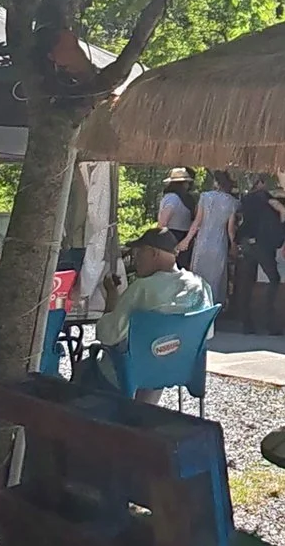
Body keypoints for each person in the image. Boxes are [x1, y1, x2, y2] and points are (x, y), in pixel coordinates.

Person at [83, 230, 211, 399]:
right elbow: (207, 334)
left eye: (138, 253)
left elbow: (107, 335)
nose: (135, 260)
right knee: (154, 357)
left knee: (83, 368)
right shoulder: (201, 286)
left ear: (153, 253)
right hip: (178, 370)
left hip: (129, 375)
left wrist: (111, 297)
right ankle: (143, 416)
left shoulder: (143, 288)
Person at [234, 174, 285, 335]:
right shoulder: (265, 196)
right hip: (262, 244)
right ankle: (269, 322)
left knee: (246, 282)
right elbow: (283, 211)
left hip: (246, 242)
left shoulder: (244, 199)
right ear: (261, 183)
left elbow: (238, 219)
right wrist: (280, 227)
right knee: (274, 279)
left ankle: (246, 322)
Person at [184, 170, 239, 308]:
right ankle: (212, 309)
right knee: (215, 279)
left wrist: (186, 240)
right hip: (219, 243)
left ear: (215, 182)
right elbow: (230, 230)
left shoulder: (205, 197)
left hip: (202, 242)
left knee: (198, 276)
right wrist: (233, 246)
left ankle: (196, 306)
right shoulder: (232, 202)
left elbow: (197, 222)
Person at [156, 170, 197, 269]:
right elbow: (163, 221)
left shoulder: (185, 199)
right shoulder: (173, 198)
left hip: (180, 238)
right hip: (173, 237)